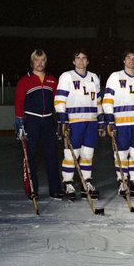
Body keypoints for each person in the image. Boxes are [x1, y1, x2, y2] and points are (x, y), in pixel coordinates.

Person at [102, 49, 134, 198]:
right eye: (128, 58)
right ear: (123, 60)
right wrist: (110, 119)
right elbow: (107, 100)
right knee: (121, 153)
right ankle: (123, 182)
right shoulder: (115, 77)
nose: (131, 61)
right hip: (120, 123)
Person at [54, 49, 104, 201]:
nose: (81, 61)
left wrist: (101, 121)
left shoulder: (94, 77)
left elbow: (98, 101)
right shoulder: (67, 76)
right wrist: (63, 120)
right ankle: (68, 183)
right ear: (73, 61)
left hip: (91, 122)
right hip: (73, 122)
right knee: (71, 154)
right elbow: (59, 100)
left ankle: (86, 182)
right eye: (78, 58)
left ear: (88, 61)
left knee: (88, 154)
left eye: (84, 58)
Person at [14, 49, 63, 200]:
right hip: (31, 121)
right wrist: (19, 123)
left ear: (45, 62)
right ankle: (32, 190)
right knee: (30, 156)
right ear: (32, 62)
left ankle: (55, 189)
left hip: (48, 120)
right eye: (36, 60)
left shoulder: (52, 80)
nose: (39, 63)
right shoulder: (24, 81)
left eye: (42, 60)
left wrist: (61, 120)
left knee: (52, 155)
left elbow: (58, 102)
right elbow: (18, 103)